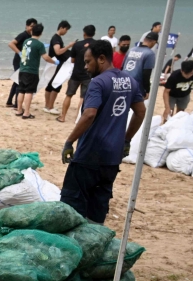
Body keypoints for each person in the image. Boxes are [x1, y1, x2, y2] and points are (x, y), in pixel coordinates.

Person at [60, 39, 146, 224]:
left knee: (72, 205)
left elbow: (89, 114)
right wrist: (126, 140)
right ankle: (93, 243)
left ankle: (73, 246)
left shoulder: (98, 83)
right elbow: (140, 112)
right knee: (98, 206)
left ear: (101, 58)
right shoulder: (130, 81)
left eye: (88, 61)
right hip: (112, 159)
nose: (85, 67)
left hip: (89, 154)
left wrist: (69, 142)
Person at [15, 23, 57, 119]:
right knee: (29, 91)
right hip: (32, 71)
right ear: (41, 33)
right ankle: (26, 113)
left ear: (32, 31)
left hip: (22, 69)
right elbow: (45, 57)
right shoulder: (39, 44)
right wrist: (54, 61)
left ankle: (19, 110)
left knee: (21, 90)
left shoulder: (26, 41)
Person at [59, 25, 95, 123]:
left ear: (84, 33)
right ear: (94, 33)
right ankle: (77, 119)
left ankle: (63, 117)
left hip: (76, 74)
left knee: (69, 95)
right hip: (88, 74)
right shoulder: (96, 44)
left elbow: (72, 60)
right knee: (83, 98)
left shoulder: (77, 44)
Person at [43, 20, 74, 113]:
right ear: (62, 28)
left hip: (53, 64)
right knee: (56, 85)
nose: (66, 32)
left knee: (50, 84)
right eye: (66, 30)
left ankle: (47, 106)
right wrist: (69, 46)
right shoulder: (56, 38)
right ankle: (50, 106)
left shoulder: (57, 38)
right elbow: (58, 51)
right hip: (56, 64)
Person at [7, 18, 37, 107]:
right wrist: (19, 53)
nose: (32, 28)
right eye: (31, 26)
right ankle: (16, 104)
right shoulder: (23, 35)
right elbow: (11, 44)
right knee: (20, 81)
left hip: (25, 61)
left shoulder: (31, 36)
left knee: (17, 81)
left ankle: (9, 101)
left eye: (34, 27)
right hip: (18, 61)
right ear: (26, 26)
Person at [123, 32, 158, 99]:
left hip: (124, 82)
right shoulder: (150, 53)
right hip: (137, 86)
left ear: (144, 39)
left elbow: (122, 67)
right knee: (139, 109)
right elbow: (146, 73)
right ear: (153, 42)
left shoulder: (131, 50)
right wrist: (147, 90)